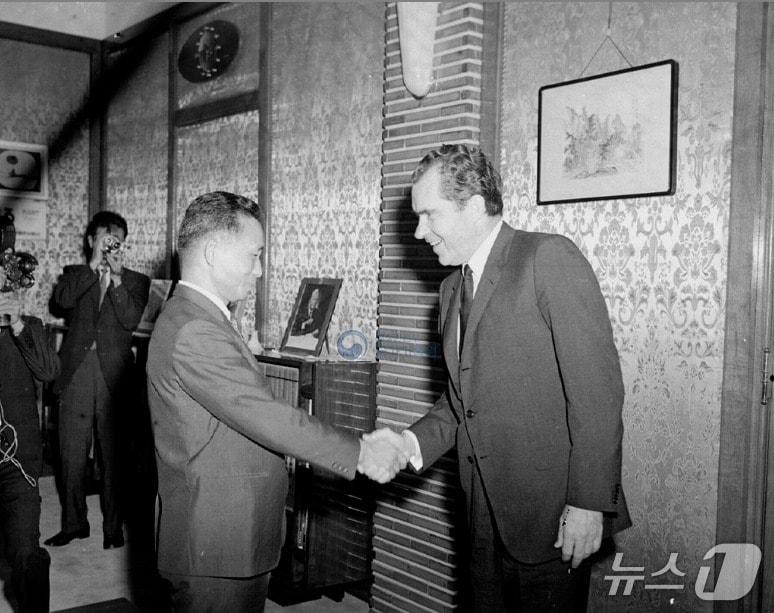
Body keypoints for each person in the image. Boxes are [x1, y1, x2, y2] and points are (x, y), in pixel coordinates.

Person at [365, 144, 631, 611]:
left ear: (473, 205)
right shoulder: (450, 290)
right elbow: (460, 403)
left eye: (429, 215)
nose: (419, 231)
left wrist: (589, 504)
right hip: (480, 516)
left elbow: (598, 394)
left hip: (554, 517)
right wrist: (408, 444)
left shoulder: (547, 258)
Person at [146, 191, 402, 612]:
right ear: (212, 252)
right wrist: (359, 452)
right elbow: (268, 417)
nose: (260, 270)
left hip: (228, 536)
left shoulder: (194, 317)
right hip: (217, 543)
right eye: (254, 255)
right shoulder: (195, 329)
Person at [45, 211, 150, 549]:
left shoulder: (136, 281)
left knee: (114, 456)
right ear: (91, 240)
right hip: (76, 371)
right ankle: (74, 524)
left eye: (116, 241)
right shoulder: (75, 274)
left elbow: (130, 319)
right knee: (70, 453)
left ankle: (113, 528)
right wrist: (93, 265)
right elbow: (61, 303)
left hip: (113, 376)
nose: (109, 246)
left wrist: (116, 278)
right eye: (103, 240)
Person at [0, 290, 58, 612]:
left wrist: (17, 324)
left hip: (17, 464)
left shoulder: (29, 326)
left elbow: (49, 371)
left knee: (26, 554)